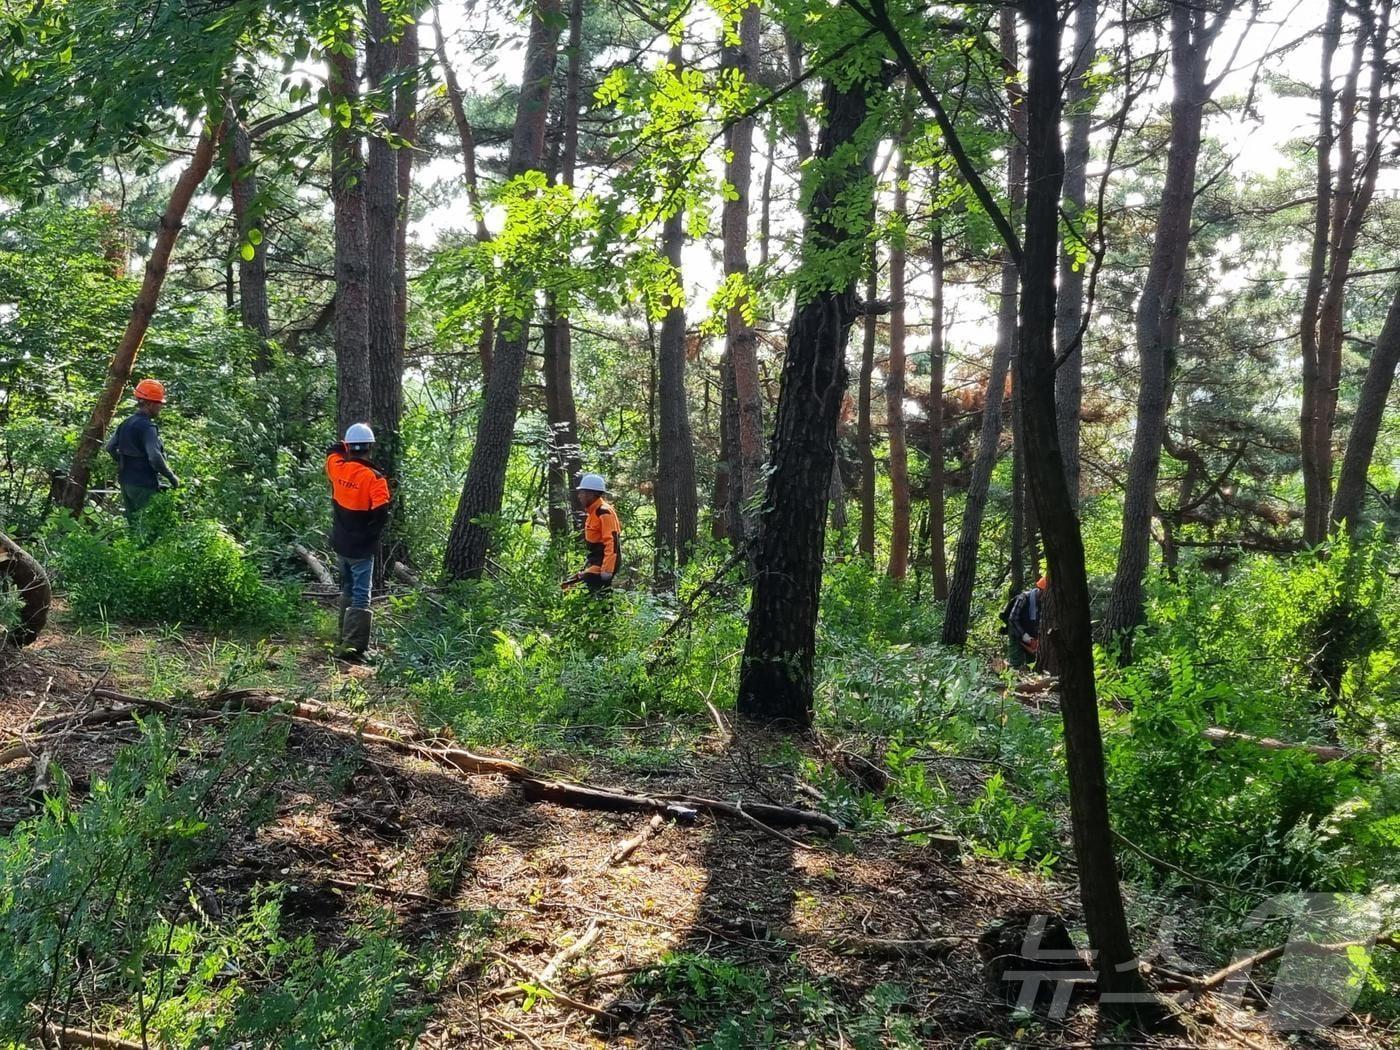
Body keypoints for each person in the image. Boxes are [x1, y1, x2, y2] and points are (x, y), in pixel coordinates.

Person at [325, 423, 391, 660]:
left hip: (341, 544)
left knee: (348, 588)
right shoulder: (375, 479)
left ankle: (343, 638)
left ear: (349, 447)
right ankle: (353, 648)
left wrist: (344, 445)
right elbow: (382, 512)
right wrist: (371, 535)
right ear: (370, 448)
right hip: (361, 548)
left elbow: (332, 451)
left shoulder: (337, 468)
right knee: (362, 594)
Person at [104, 378, 180, 521]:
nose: (161, 407)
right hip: (144, 484)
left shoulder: (126, 423)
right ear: (149, 404)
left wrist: (125, 462)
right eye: (159, 404)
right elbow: (154, 456)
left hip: (126, 482)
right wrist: (172, 477)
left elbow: (110, 447)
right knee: (148, 525)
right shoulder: (147, 427)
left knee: (133, 524)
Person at [563, 473, 621, 595]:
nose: (579, 496)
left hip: (603, 566)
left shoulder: (604, 512)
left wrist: (607, 570)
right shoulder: (593, 512)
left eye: (582, 493)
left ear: (591, 494)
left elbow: (612, 542)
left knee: (595, 597)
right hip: (596, 563)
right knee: (571, 586)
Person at [1004, 575, 1048, 669]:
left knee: (1034, 663)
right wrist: (1026, 637)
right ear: (1041, 590)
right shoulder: (1023, 598)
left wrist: (1037, 640)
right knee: (1016, 663)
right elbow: (1013, 619)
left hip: (1032, 635)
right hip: (1017, 633)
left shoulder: (1045, 603)